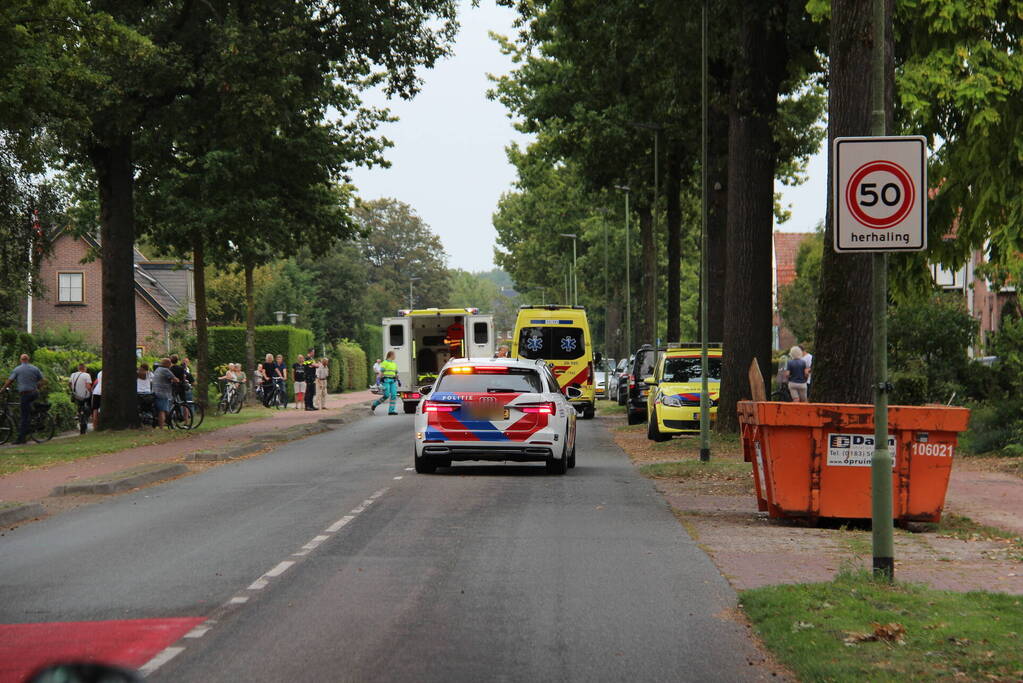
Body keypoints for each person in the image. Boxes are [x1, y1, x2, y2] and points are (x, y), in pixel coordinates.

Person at [2, 354, 45, 444]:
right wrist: (37, 387)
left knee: (24, 416)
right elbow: (43, 380)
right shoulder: (35, 368)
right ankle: (33, 418)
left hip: (25, 394)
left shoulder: (17, 369)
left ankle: (21, 439)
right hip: (34, 393)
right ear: (28, 359)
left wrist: (2, 389)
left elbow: (10, 381)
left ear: (20, 360)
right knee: (27, 411)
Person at [151, 358, 179, 427]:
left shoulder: (157, 369)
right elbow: (175, 379)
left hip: (154, 391)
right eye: (169, 363)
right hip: (163, 393)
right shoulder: (166, 370)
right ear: (166, 364)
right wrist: (177, 380)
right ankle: (161, 427)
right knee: (162, 410)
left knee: (161, 409)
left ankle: (167, 422)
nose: (170, 365)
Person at [370, 351, 399, 415]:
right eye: (394, 355)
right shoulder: (384, 363)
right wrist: (378, 380)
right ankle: (375, 404)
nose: (395, 356)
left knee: (394, 395)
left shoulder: (394, 364)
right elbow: (381, 372)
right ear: (391, 355)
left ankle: (391, 411)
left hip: (393, 381)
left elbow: (396, 373)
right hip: (386, 380)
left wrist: (398, 380)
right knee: (386, 395)